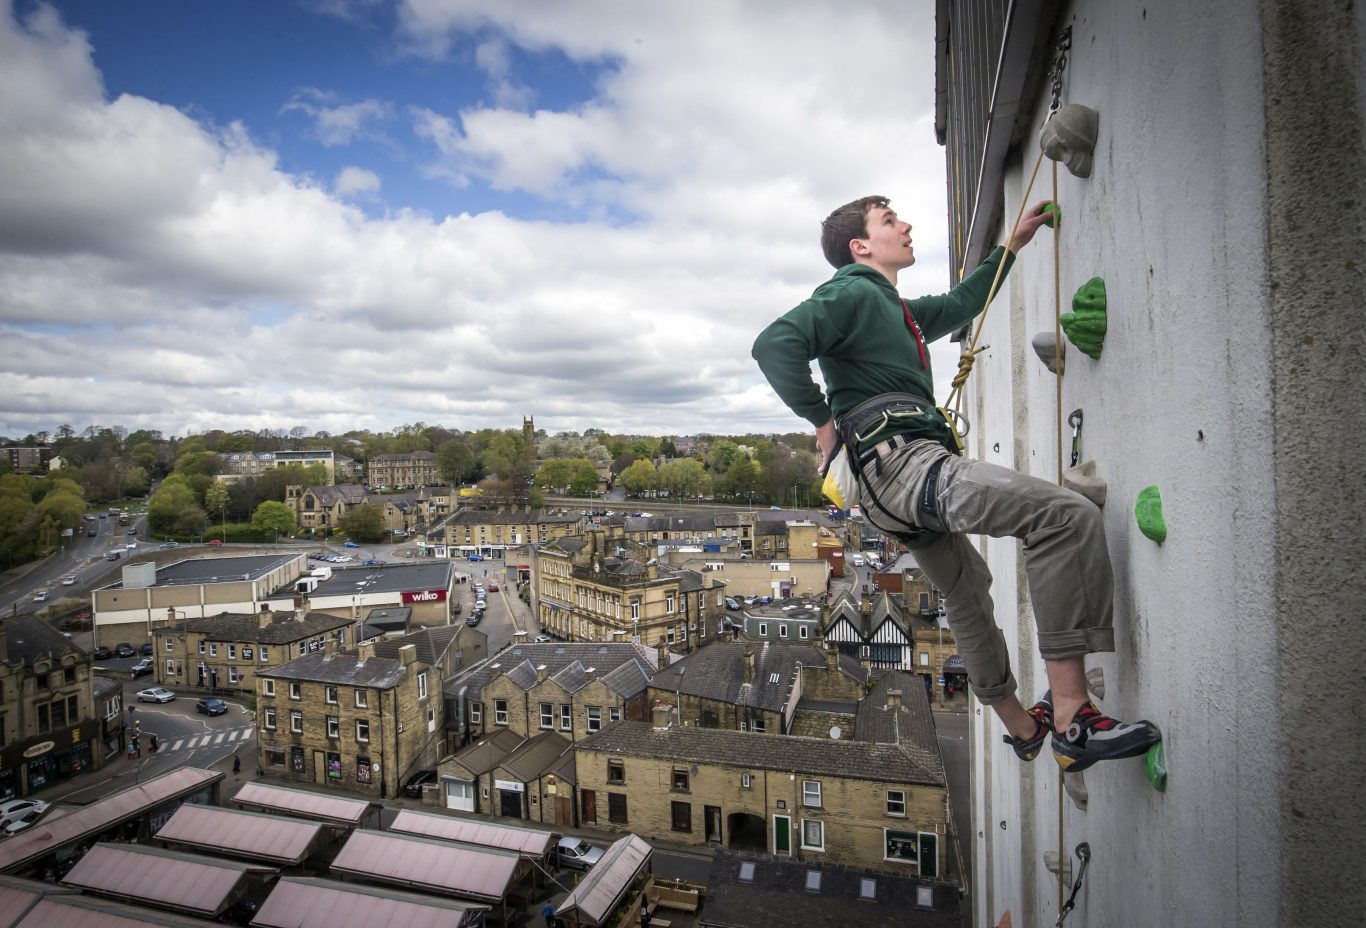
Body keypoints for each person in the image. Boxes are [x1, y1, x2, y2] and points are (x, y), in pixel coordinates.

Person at [752, 195, 1161, 772]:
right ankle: (1073, 715)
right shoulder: (853, 292)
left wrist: (1010, 245)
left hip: (886, 488)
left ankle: (1022, 726)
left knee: (968, 589)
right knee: (1063, 517)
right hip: (904, 464)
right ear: (860, 246)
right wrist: (822, 422)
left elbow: (964, 301)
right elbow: (774, 344)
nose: (906, 225)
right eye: (889, 220)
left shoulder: (897, 311)